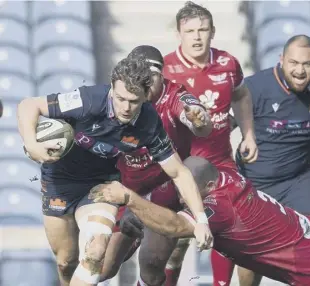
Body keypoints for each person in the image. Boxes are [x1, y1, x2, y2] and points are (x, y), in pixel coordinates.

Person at [17, 55, 212, 286]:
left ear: (145, 96)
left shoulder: (149, 122)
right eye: (120, 99)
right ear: (111, 89)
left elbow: (179, 172)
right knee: (66, 262)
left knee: (96, 250)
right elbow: (29, 105)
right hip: (59, 182)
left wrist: (201, 220)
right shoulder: (88, 100)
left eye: (134, 101)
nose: (126, 108)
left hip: (100, 186)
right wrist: (31, 143)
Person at [90, 156, 310, 286]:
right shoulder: (227, 178)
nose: (184, 200)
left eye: (189, 194)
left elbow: (173, 226)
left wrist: (131, 199)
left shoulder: (219, 208)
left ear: (207, 185)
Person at [234, 34, 310, 286]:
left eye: (307, 64)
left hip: (299, 178)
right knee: (248, 262)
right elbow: (222, 127)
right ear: (281, 60)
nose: (300, 70)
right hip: (255, 181)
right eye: (293, 63)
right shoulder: (254, 88)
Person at [161, 2, 258, 285]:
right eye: (189, 31)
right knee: (175, 244)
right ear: (179, 34)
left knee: (230, 229)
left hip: (220, 163)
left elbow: (241, 96)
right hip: (179, 166)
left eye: (203, 29)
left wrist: (248, 134)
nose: (197, 36)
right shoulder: (167, 68)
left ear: (212, 31)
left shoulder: (228, 63)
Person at [99, 45, 213, 284]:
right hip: (126, 190)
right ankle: (133, 233)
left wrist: (199, 118)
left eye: (151, 77)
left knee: (151, 265)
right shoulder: (120, 100)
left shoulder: (174, 95)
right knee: (102, 268)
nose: (145, 84)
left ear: (162, 75)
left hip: (164, 191)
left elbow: (194, 116)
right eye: (138, 79)